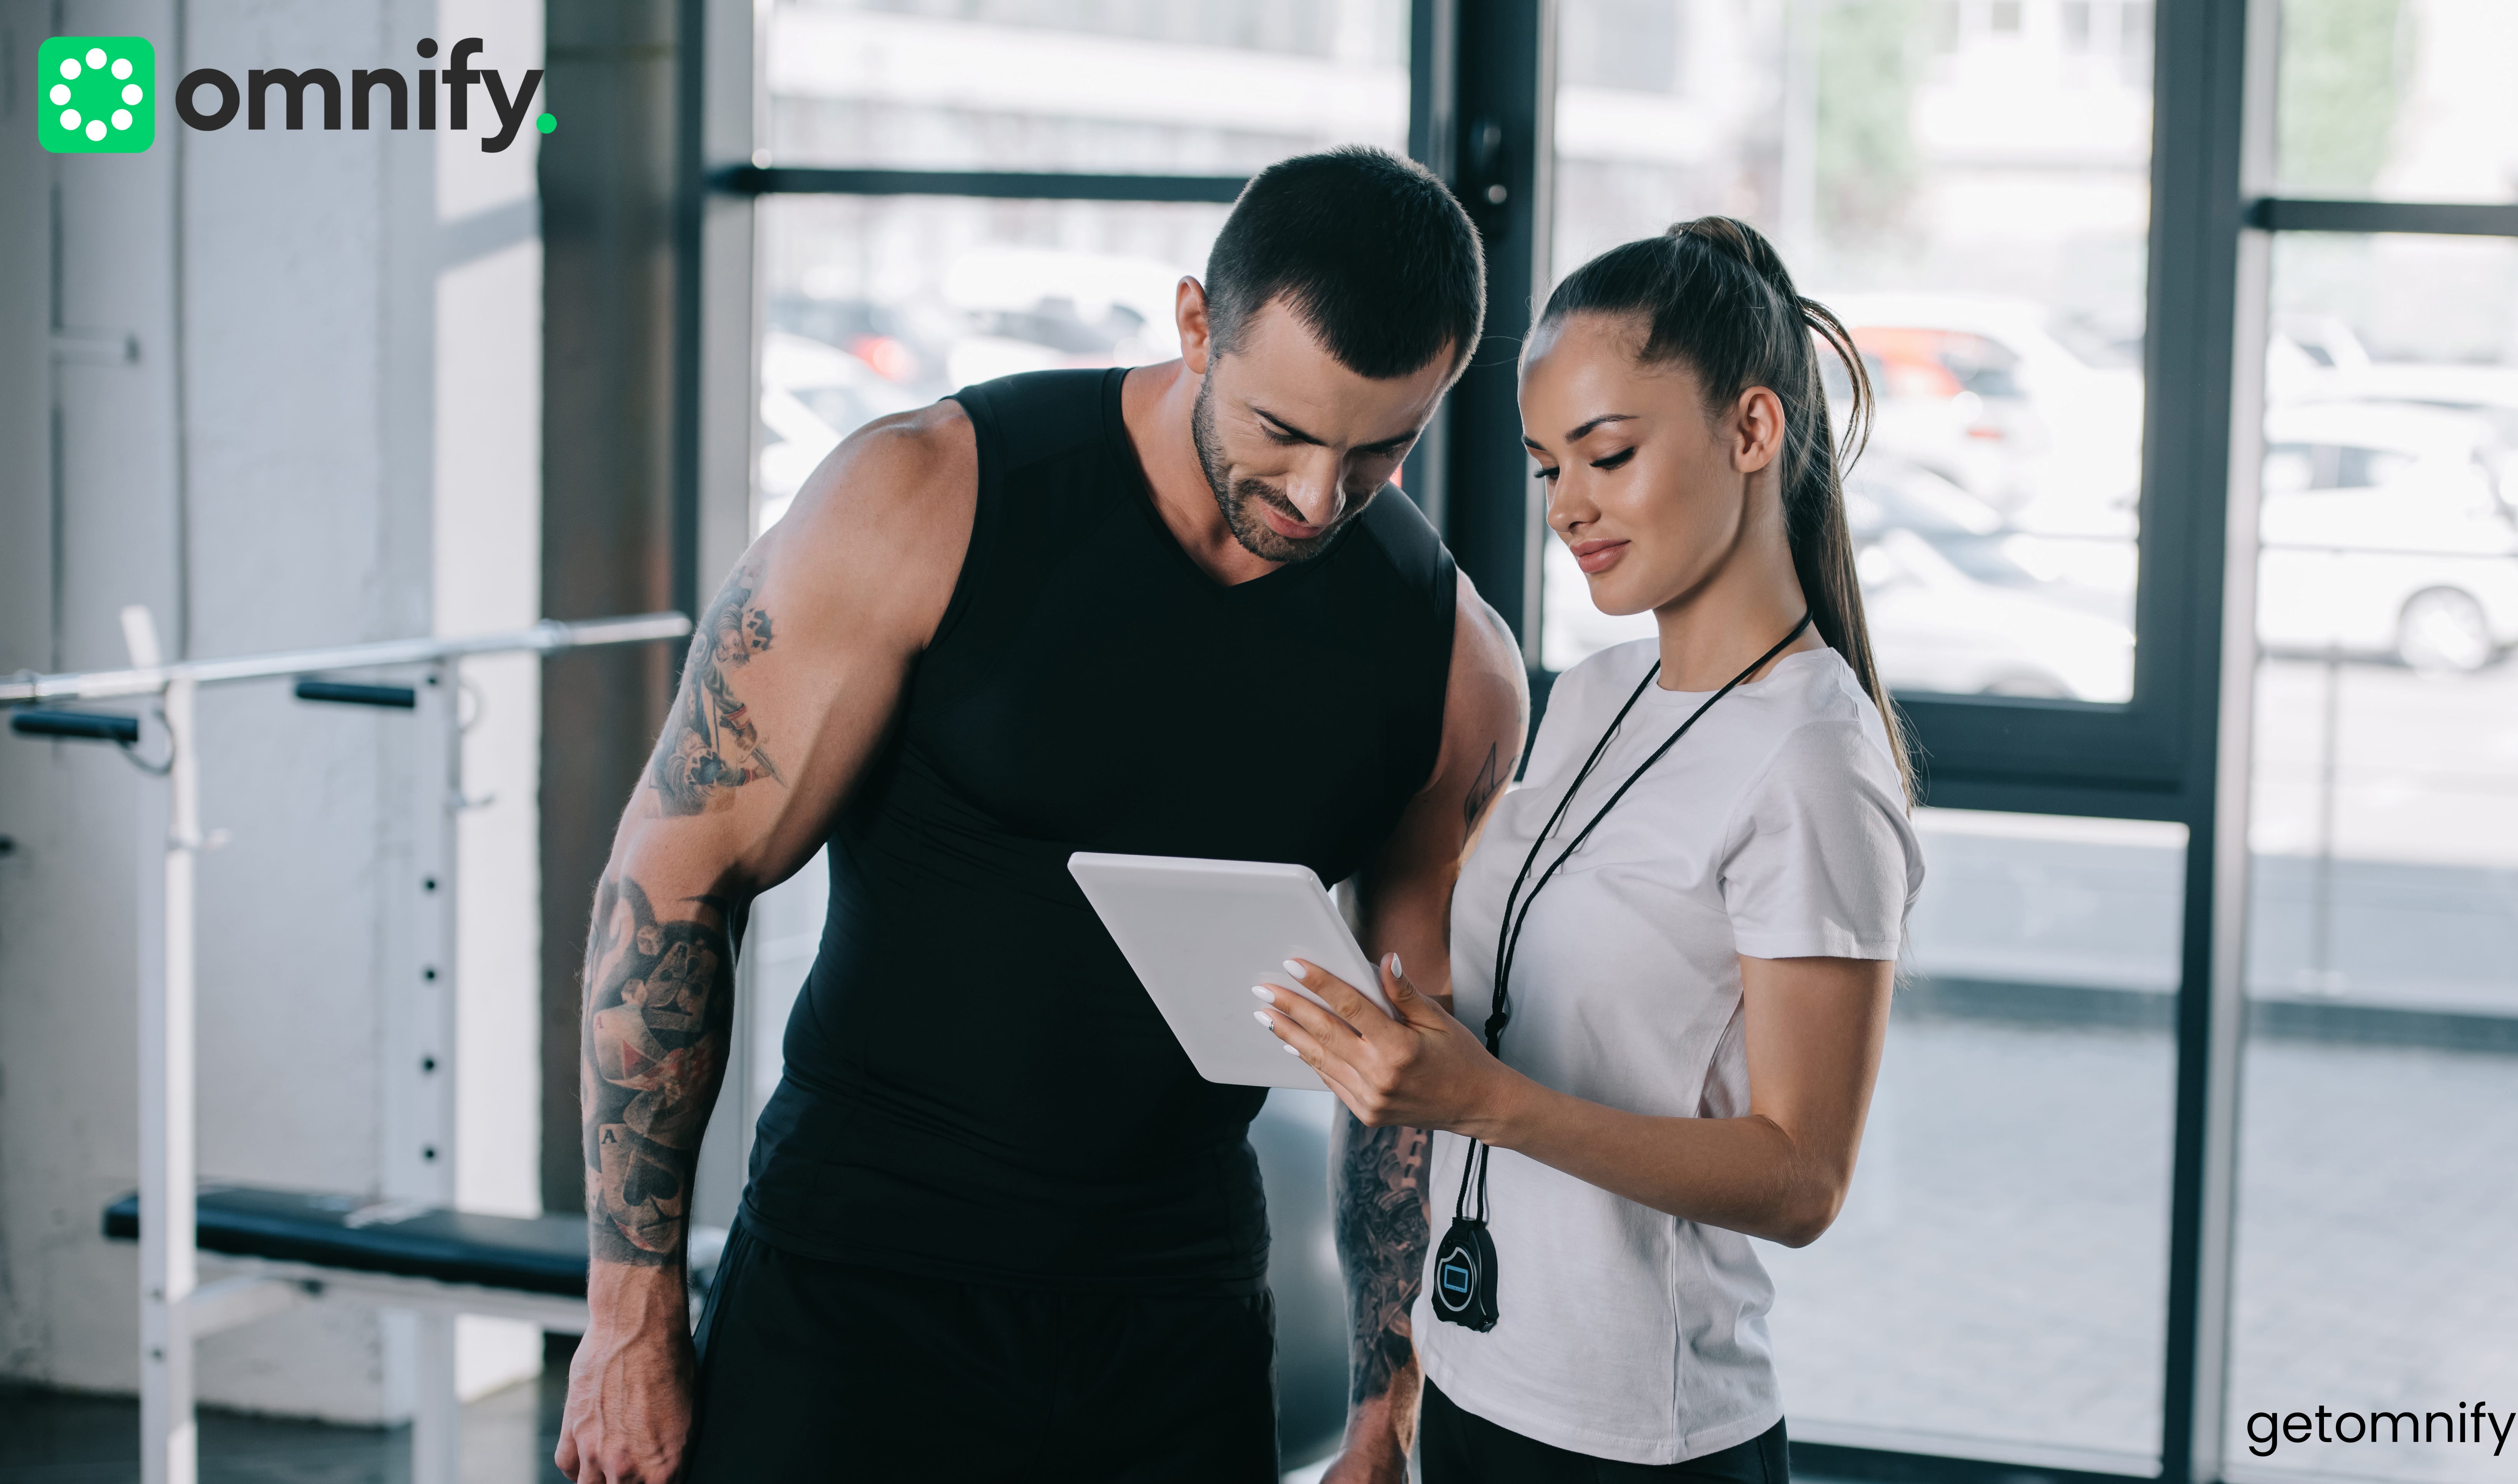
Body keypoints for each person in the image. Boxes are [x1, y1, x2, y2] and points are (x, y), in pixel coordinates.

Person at [553, 146, 1527, 1484]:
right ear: (1196, 325)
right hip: (857, 1277)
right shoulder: (925, 498)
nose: (1316, 500)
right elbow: (670, 884)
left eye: (1380, 451)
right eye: (1283, 433)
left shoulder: (1452, 668)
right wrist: (628, 1314)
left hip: (1173, 1314)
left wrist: (1384, 1410)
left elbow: (1404, 1069)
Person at [1259, 217, 1924, 1482]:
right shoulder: (1596, 693)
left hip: (1639, 1441)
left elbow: (1802, 1180)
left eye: (1608, 456)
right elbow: (1524, 1009)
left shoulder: (1811, 761)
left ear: (1752, 432)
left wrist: (1489, 1102)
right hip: (1471, 1379)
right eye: (1546, 466)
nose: (1569, 508)